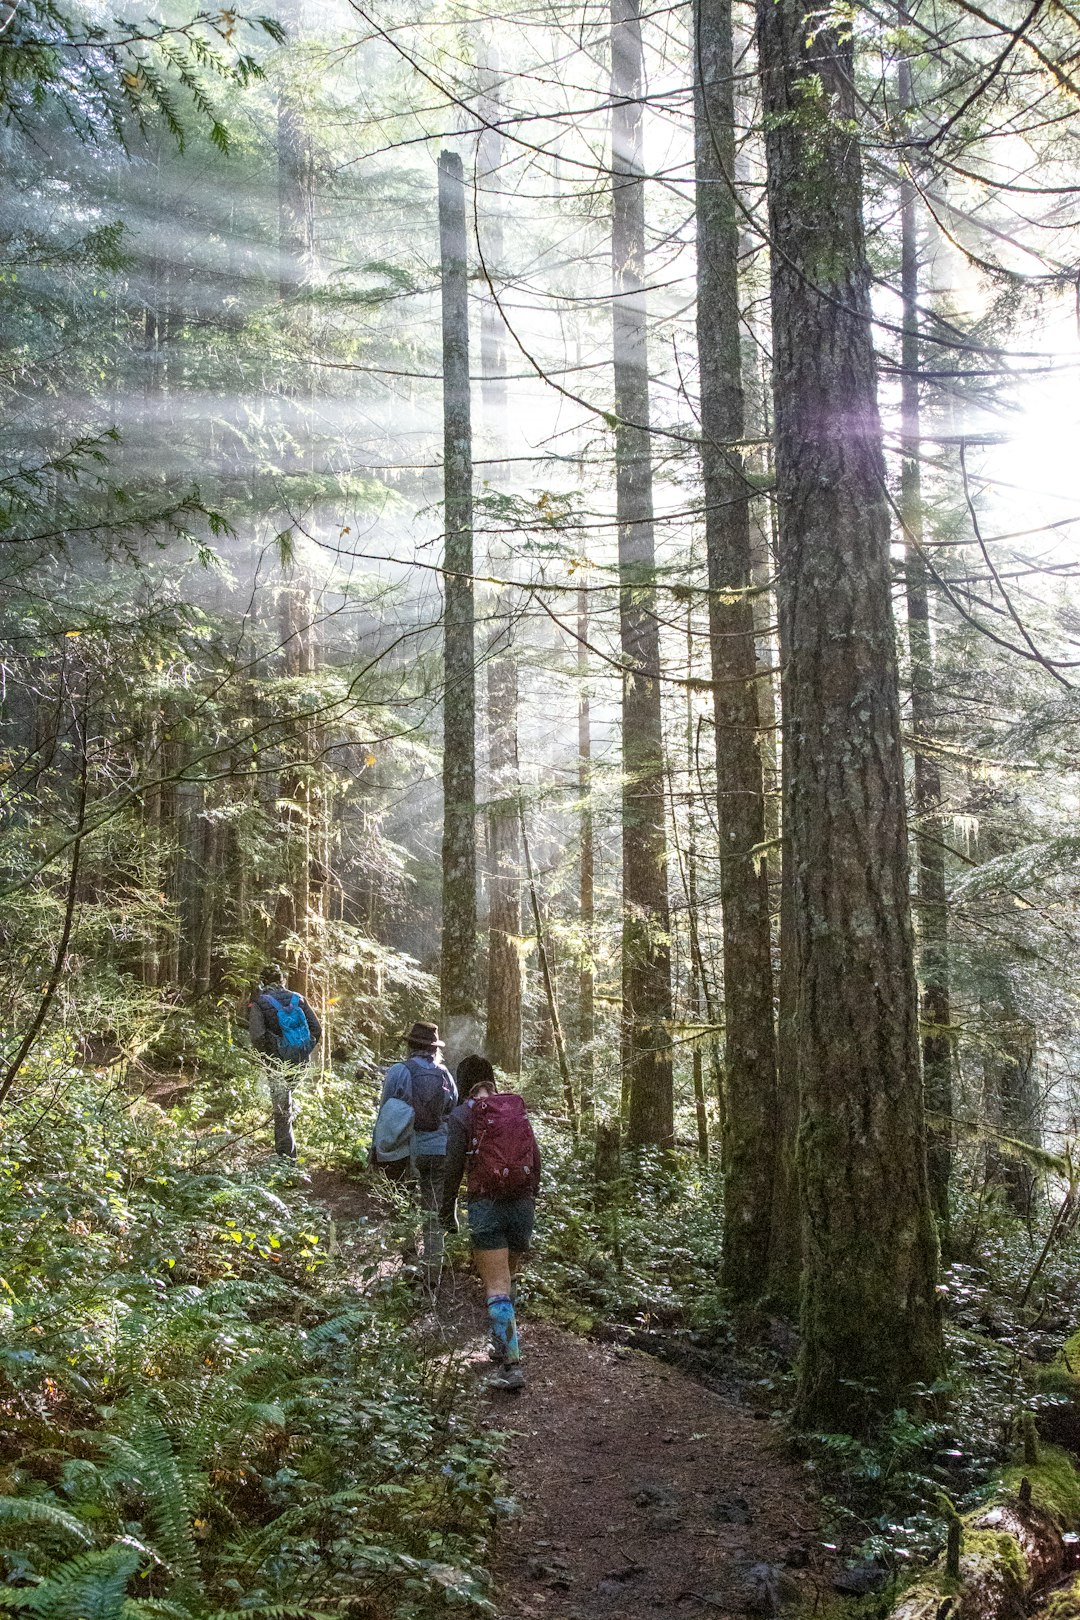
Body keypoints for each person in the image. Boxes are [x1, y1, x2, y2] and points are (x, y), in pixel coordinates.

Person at [441, 1055, 541, 1391]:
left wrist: (447, 1209)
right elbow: (535, 1159)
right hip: (522, 1206)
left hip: (486, 1206)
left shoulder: (462, 1114)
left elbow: (453, 1168)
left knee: (496, 1285)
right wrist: (529, 1198)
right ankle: (501, 1346)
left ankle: (512, 1366)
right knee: (507, 1279)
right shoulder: (514, 1109)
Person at [373, 1020, 458, 1287]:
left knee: (405, 1207)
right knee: (433, 1212)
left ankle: (410, 1268)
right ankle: (433, 1276)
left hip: (407, 1151)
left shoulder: (399, 1071)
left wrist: (377, 1149)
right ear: (434, 1049)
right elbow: (452, 1107)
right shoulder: (445, 1074)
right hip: (440, 1150)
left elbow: (386, 1111)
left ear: (410, 1045)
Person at [247, 964, 321, 1159]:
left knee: (282, 1109)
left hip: (276, 1064)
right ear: (282, 980)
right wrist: (301, 1051)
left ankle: (286, 1158)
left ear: (263, 981)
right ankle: (287, 1151)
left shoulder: (259, 1003)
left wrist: (268, 1057)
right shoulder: (298, 999)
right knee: (285, 1102)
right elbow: (316, 1029)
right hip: (300, 1062)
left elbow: (257, 1036)